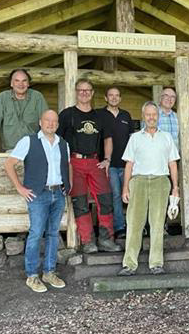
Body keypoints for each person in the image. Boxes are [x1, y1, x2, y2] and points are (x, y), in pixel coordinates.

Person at [4, 110, 72, 293]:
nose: (51, 124)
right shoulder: (29, 141)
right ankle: (32, 275)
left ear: (57, 124)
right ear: (40, 123)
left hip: (58, 193)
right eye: (47, 120)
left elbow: (67, 166)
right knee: (35, 233)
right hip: (38, 195)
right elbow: (9, 164)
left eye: (54, 121)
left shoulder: (63, 144)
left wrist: (68, 184)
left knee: (52, 233)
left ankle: (49, 272)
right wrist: (20, 187)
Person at [57, 79, 121, 254]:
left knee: (106, 200)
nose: (84, 93)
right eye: (81, 90)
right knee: (80, 203)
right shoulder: (66, 114)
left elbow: (108, 139)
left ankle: (107, 240)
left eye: (88, 90)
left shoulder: (100, 116)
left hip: (95, 162)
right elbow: (57, 140)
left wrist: (107, 159)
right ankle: (87, 242)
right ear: (76, 92)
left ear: (92, 93)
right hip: (74, 162)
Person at [118, 101, 180, 276]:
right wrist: (125, 188)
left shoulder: (166, 137)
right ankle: (129, 264)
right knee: (134, 223)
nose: (151, 117)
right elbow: (129, 165)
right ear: (143, 116)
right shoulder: (135, 137)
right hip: (138, 181)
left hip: (161, 181)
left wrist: (175, 188)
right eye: (148, 114)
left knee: (158, 223)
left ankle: (156, 263)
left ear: (158, 117)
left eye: (154, 114)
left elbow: (173, 163)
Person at [0, 69, 48, 157]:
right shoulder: (2, 98)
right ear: (11, 83)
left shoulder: (37, 97)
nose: (21, 84)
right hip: (11, 150)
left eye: (24, 81)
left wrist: (48, 148)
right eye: (17, 81)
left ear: (28, 84)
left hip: (33, 149)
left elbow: (47, 123)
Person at [97, 86, 134, 240]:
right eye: (110, 95)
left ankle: (133, 226)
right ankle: (119, 227)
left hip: (127, 163)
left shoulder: (126, 115)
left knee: (131, 195)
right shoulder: (99, 114)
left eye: (117, 95)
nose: (113, 98)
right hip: (109, 164)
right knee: (116, 196)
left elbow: (133, 139)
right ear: (105, 98)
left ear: (120, 98)